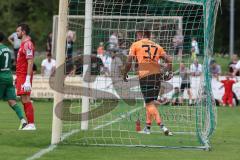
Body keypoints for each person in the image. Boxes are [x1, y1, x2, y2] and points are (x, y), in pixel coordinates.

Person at [122, 30, 173, 136]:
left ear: (141, 35)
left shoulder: (136, 44)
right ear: (149, 36)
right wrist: (168, 73)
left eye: (138, 35)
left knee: (149, 103)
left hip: (145, 75)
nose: (137, 37)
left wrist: (124, 73)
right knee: (150, 102)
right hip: (157, 76)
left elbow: (128, 61)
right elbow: (169, 60)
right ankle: (148, 127)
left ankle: (163, 126)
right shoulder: (157, 46)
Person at [0, 32, 27, 129]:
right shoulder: (7, 49)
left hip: (1, 76)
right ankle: (23, 121)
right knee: (12, 101)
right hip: (9, 75)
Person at [15, 23, 36, 130]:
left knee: (26, 98)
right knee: (23, 99)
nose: (16, 33)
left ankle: (31, 124)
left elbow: (30, 61)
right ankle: (29, 123)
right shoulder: (23, 44)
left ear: (23, 32)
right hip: (20, 75)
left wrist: (27, 79)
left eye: (18, 31)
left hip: (24, 75)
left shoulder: (28, 44)